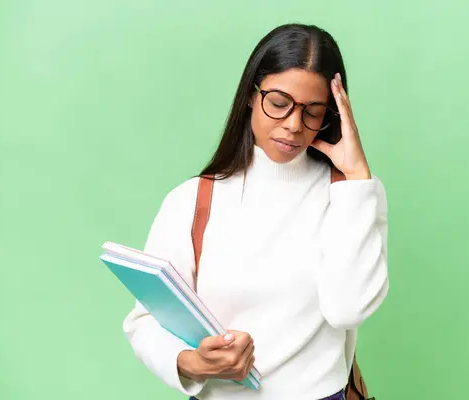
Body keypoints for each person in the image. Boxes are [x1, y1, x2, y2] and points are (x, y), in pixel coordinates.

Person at [122, 23, 389, 400]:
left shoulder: (351, 194)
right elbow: (145, 321)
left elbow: (348, 310)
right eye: (279, 104)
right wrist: (191, 362)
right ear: (251, 95)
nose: (294, 125)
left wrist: (358, 179)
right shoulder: (193, 201)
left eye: (313, 112)